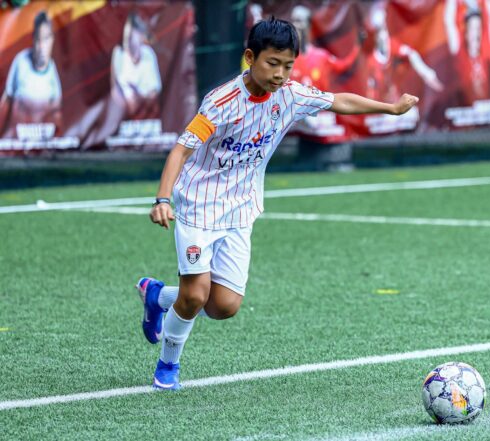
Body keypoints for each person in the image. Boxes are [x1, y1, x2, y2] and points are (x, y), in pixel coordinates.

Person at [135, 17, 419, 390]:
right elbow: (181, 150)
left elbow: (339, 100)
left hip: (241, 211)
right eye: (272, 63)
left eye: (288, 65)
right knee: (195, 295)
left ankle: (157, 296)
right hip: (198, 207)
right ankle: (168, 367)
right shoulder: (220, 103)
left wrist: (391, 108)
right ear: (250, 57)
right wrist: (162, 198)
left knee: (224, 305)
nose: (280, 74)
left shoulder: (291, 96)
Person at [1, 11, 62, 134]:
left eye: (46, 39)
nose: (41, 46)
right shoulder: (20, 61)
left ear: (52, 40)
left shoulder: (53, 70)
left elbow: (57, 113)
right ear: (33, 38)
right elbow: (7, 100)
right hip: (17, 137)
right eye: (38, 39)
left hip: (42, 139)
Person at [111, 11, 162, 118]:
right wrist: (125, 103)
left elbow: (154, 90)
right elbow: (114, 89)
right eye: (126, 40)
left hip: (147, 114)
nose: (129, 45)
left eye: (131, 39)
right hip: (124, 114)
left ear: (141, 38)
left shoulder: (148, 54)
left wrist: (140, 98)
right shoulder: (118, 54)